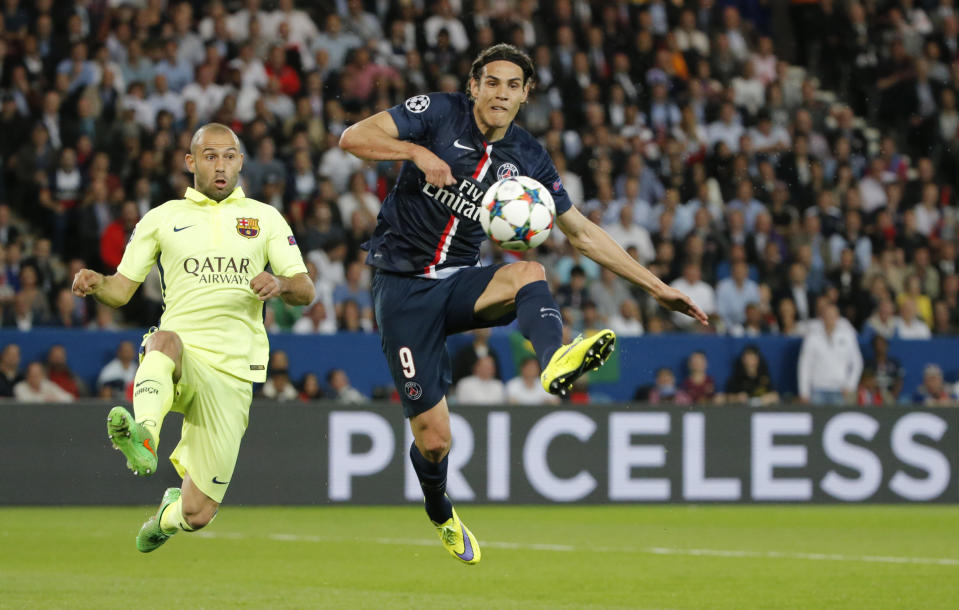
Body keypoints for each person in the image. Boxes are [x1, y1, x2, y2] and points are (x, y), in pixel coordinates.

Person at [339, 44, 706, 564]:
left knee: (530, 272)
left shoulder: (529, 157)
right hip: (403, 289)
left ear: (525, 95)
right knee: (436, 440)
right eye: (492, 82)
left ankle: (554, 358)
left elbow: (581, 233)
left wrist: (656, 287)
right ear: (474, 86)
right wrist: (416, 153)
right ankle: (439, 509)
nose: (501, 93)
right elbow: (353, 137)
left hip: (463, 282)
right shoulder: (438, 113)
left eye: (513, 86)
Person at [71, 123, 313, 553]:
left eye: (229, 156)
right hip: (185, 352)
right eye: (210, 156)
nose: (220, 166)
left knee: (198, 513)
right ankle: (144, 435)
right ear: (191, 162)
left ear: (240, 161)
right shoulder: (163, 218)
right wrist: (96, 283)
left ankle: (166, 516)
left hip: (235, 371)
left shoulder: (264, 218)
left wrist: (278, 282)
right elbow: (121, 290)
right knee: (162, 341)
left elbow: (305, 289)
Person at [797, 303, 863, 405]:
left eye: (832, 315)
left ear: (837, 317)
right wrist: (804, 392)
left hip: (840, 390)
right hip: (817, 389)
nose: (829, 318)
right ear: (822, 317)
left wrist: (850, 386)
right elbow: (805, 365)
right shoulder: (812, 337)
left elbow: (857, 362)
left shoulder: (848, 336)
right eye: (827, 315)